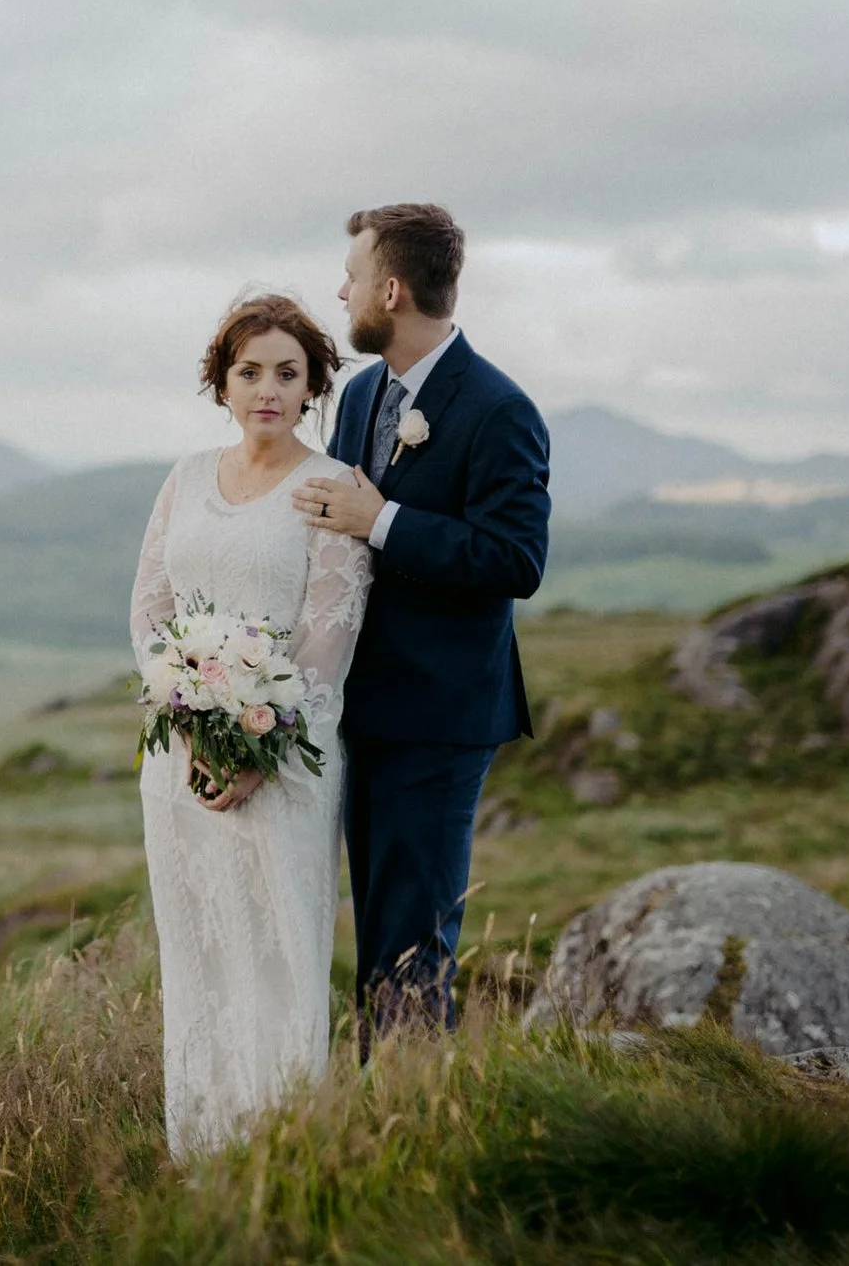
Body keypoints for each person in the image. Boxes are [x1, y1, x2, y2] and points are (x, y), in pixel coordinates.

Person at [290, 203, 549, 1047]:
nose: (343, 291)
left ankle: (409, 1128)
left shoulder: (498, 408)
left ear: (391, 290)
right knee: (370, 928)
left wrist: (384, 520)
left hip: (438, 720)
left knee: (409, 946)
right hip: (357, 707)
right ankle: (376, 1113)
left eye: (354, 278)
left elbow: (516, 559)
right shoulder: (363, 394)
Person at [132, 292, 372, 1159]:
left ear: (311, 386)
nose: (267, 388)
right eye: (249, 371)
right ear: (221, 383)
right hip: (182, 769)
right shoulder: (186, 477)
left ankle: (283, 1152)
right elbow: (151, 606)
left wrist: (259, 752)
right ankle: (200, 1156)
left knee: (277, 956)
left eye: (287, 372)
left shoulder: (333, 487)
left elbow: (328, 635)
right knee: (199, 954)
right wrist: (194, 722)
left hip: (288, 764)